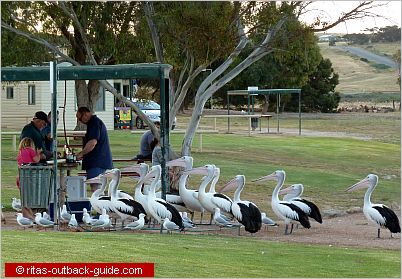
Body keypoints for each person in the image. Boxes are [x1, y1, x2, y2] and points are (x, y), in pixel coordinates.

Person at [75, 107, 113, 192]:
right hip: (99, 161)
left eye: (79, 118)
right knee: (99, 189)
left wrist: (81, 154)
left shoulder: (94, 123)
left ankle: (99, 205)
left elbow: (92, 143)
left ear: (86, 114)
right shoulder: (94, 123)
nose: (79, 120)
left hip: (96, 162)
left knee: (96, 189)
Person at [16, 137, 42, 220]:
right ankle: (28, 215)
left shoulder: (20, 152)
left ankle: (28, 213)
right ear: (31, 144)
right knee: (29, 197)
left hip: (20, 176)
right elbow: (36, 160)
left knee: (24, 196)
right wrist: (38, 153)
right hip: (27, 176)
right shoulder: (31, 150)